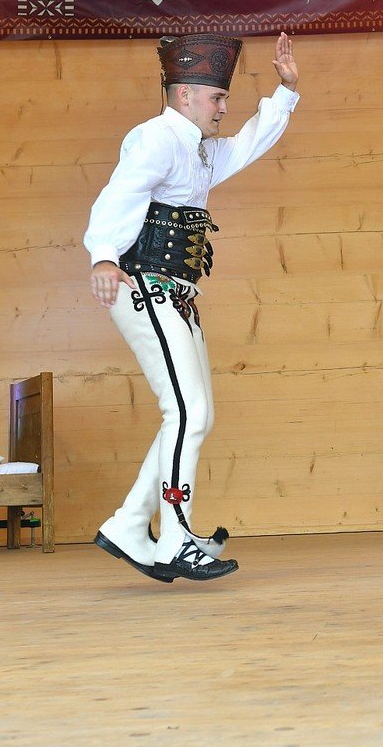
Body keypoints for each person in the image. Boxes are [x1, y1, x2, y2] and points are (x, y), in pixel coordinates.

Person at [85, 32, 300, 582]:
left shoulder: (200, 150)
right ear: (185, 95)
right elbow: (120, 192)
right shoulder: (156, 138)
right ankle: (175, 539)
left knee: (192, 413)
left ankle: (131, 524)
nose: (224, 108)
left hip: (177, 294)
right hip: (144, 285)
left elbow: (249, 143)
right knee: (189, 412)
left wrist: (285, 92)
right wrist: (104, 254)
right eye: (217, 98)